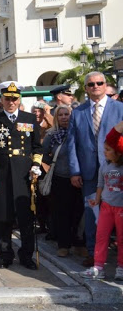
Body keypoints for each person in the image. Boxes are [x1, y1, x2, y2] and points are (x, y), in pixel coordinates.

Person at [67, 71, 123, 267]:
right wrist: (75, 171)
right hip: (89, 172)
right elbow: (72, 144)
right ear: (86, 88)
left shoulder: (120, 108)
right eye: (91, 84)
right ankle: (94, 253)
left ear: (105, 85)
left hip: (117, 170)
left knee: (120, 213)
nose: (96, 86)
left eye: (99, 83)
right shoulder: (79, 112)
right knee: (91, 213)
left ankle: (119, 256)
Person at [0, 82, 42, 270]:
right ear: (1, 100)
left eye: (14, 99)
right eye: (7, 99)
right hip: (2, 176)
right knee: (3, 218)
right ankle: (6, 254)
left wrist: (36, 165)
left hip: (24, 175)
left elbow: (36, 147)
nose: (11, 102)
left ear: (19, 99)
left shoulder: (30, 119)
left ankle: (26, 255)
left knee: (26, 218)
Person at [42, 105, 85, 258]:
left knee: (79, 213)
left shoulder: (79, 132)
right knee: (62, 214)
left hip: (80, 178)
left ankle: (78, 243)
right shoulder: (51, 135)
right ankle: (63, 245)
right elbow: (44, 155)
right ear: (56, 118)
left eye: (67, 114)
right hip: (60, 179)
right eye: (61, 115)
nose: (64, 117)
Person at [81, 123, 123, 281]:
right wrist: (97, 200)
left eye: (108, 150)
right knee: (101, 235)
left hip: (121, 208)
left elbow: (113, 139)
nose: (104, 152)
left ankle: (121, 267)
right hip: (106, 206)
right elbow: (100, 184)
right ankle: (98, 266)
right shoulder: (104, 166)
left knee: (121, 238)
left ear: (118, 153)